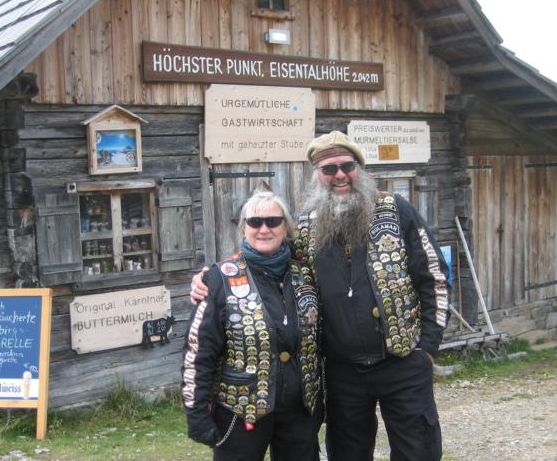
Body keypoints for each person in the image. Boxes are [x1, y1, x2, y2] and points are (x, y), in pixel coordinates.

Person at [191, 131, 451, 461]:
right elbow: (265, 250)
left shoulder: (396, 211)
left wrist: (427, 348)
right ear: (317, 174)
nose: (339, 175)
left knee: (418, 450)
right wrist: (213, 277)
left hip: (402, 361)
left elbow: (435, 277)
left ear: (359, 168)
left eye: (347, 166)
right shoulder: (306, 225)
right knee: (347, 454)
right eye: (329, 169)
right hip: (343, 371)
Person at [181, 190, 321, 461]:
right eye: (255, 222)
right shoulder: (220, 278)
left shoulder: (305, 274)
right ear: (244, 228)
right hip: (240, 410)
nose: (264, 229)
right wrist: (196, 411)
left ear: (285, 227)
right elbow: (199, 350)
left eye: (273, 221)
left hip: (299, 411)